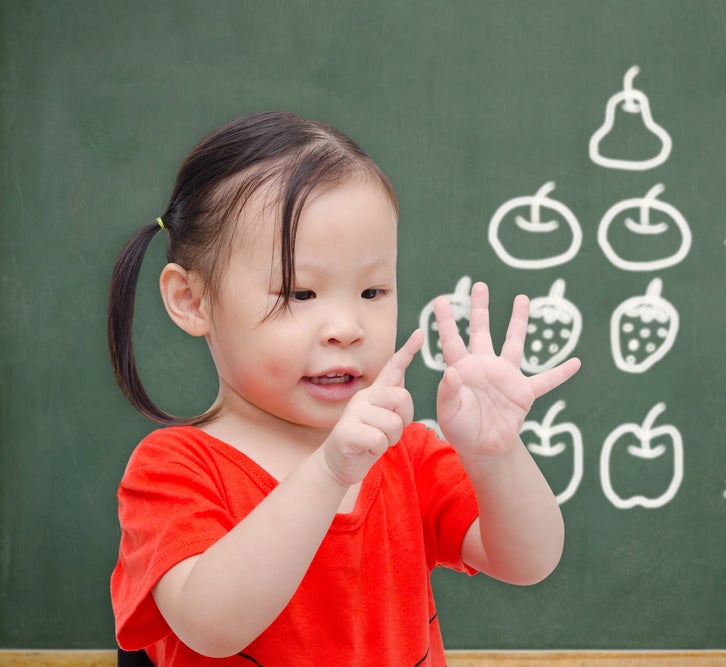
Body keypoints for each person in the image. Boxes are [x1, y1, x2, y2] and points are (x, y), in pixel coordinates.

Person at [107, 112, 581, 666]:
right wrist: (329, 472)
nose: (347, 328)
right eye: (300, 293)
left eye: (373, 291)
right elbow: (211, 627)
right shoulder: (173, 470)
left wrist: (495, 458)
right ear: (192, 300)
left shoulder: (406, 454)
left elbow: (529, 561)